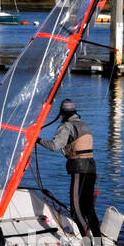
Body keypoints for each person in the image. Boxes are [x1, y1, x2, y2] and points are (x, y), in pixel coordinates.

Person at [37, 99, 100, 237]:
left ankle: (88, 243)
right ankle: (98, 243)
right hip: (91, 168)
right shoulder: (84, 125)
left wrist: (38, 140)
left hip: (79, 169)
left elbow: (54, 146)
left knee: (76, 211)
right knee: (89, 209)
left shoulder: (66, 126)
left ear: (62, 113)